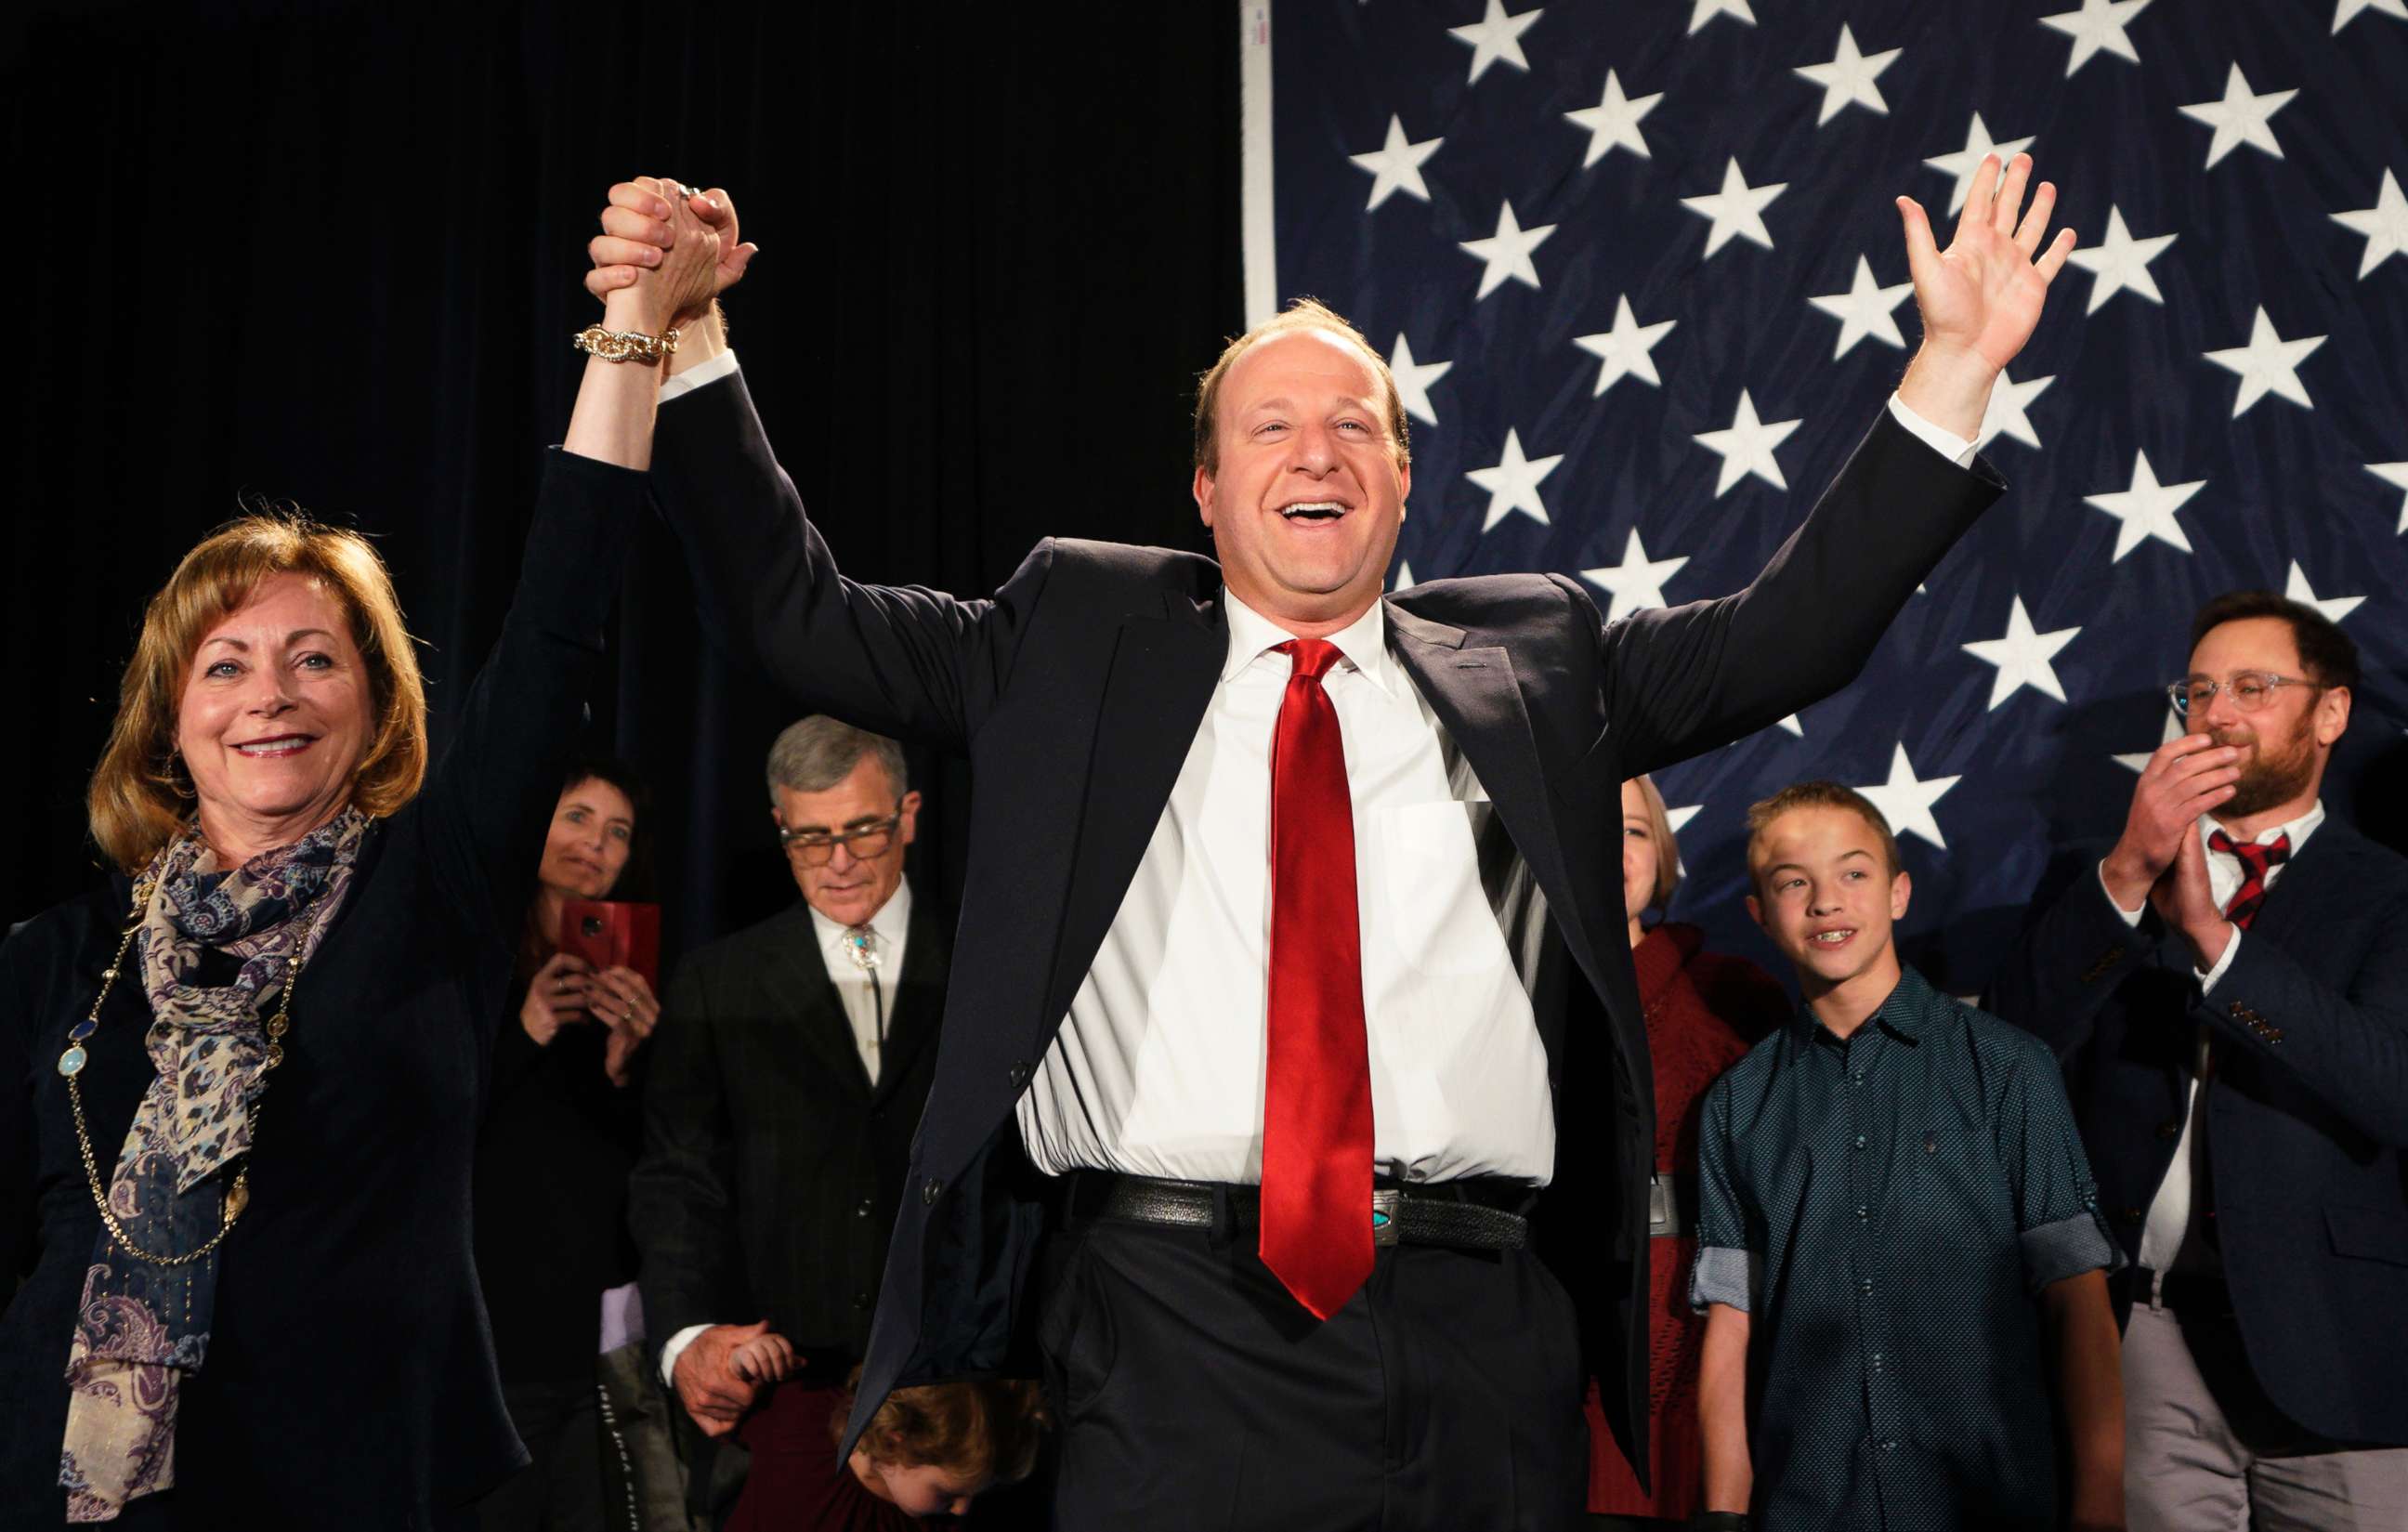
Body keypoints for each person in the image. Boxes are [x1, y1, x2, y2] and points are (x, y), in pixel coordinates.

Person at [586, 152, 2073, 1527]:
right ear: (1209, 487)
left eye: (1357, 423)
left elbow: (1785, 639)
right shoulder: (1070, 638)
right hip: (1176, 1318)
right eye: (1273, 425)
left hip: (1485, 1322)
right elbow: (796, 614)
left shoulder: (1538, 660)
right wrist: (698, 341)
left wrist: (1953, 369)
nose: (1321, 450)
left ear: (1407, 477)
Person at [0, 186, 723, 1527]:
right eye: (227, 664)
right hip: (73, 1492)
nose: (267, 692)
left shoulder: (432, 887)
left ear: (377, 706)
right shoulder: (56, 958)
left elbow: (561, 611)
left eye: (313, 658)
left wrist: (631, 328)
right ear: (174, 717)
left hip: (353, 1490)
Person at [1987, 591, 2408, 1529]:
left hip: (2339, 1346)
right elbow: (2012, 1049)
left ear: (2329, 712)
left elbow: (2393, 1086)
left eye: (2253, 687)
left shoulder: (2389, 893)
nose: (2217, 713)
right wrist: (2131, 867)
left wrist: (2220, 944)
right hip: (2145, 1336)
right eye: (2201, 690)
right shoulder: (2101, 878)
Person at [1693, 781, 2125, 1531]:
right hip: (1812, 1503)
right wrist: (1725, 1512)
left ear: (1898, 892)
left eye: (1853, 873)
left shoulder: (2008, 1067)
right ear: (1760, 913)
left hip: (1990, 1499)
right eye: (1794, 882)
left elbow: (2077, 1296)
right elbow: (1730, 1324)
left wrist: (2099, 1506)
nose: (1826, 900)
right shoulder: (1738, 1103)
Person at [629, 717, 948, 1532]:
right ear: (780, 828)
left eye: (862, 830)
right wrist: (688, 1338)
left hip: (962, 1396)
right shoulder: (717, 980)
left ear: (907, 814)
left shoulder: (987, 961)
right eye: (811, 839)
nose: (839, 861)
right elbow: (678, 1173)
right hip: (783, 1403)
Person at [1586, 776, 1787, 1529]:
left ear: (1663, 856)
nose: (1615, 848)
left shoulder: (1734, 991)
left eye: (1636, 831)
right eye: (1593, 824)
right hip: (1554, 1304)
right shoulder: (1508, 982)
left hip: (1695, 1309)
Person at [474, 758, 667, 1530]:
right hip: (493, 1324)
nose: (597, 843)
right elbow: (430, 1129)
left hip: (598, 1331)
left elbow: (649, 1161)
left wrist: (627, 1064)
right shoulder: (474, 952)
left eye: (617, 830)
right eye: (578, 817)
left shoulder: (639, 967)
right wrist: (525, 1031)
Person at [721, 1354, 1045, 1530]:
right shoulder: (804, 1415)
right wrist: (747, 1360)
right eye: (948, 1493)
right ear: (896, 1442)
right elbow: (728, 1403)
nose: (962, 1510)